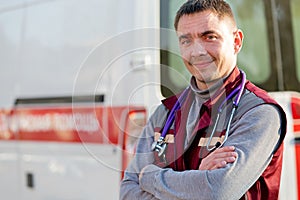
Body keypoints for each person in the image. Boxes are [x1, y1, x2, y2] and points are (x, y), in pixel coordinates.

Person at [120, 0, 287, 199]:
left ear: (236, 41)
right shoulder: (165, 113)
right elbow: (128, 192)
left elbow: (218, 191)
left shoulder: (259, 113)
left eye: (210, 37)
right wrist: (199, 178)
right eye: (186, 40)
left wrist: (150, 177)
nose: (197, 51)